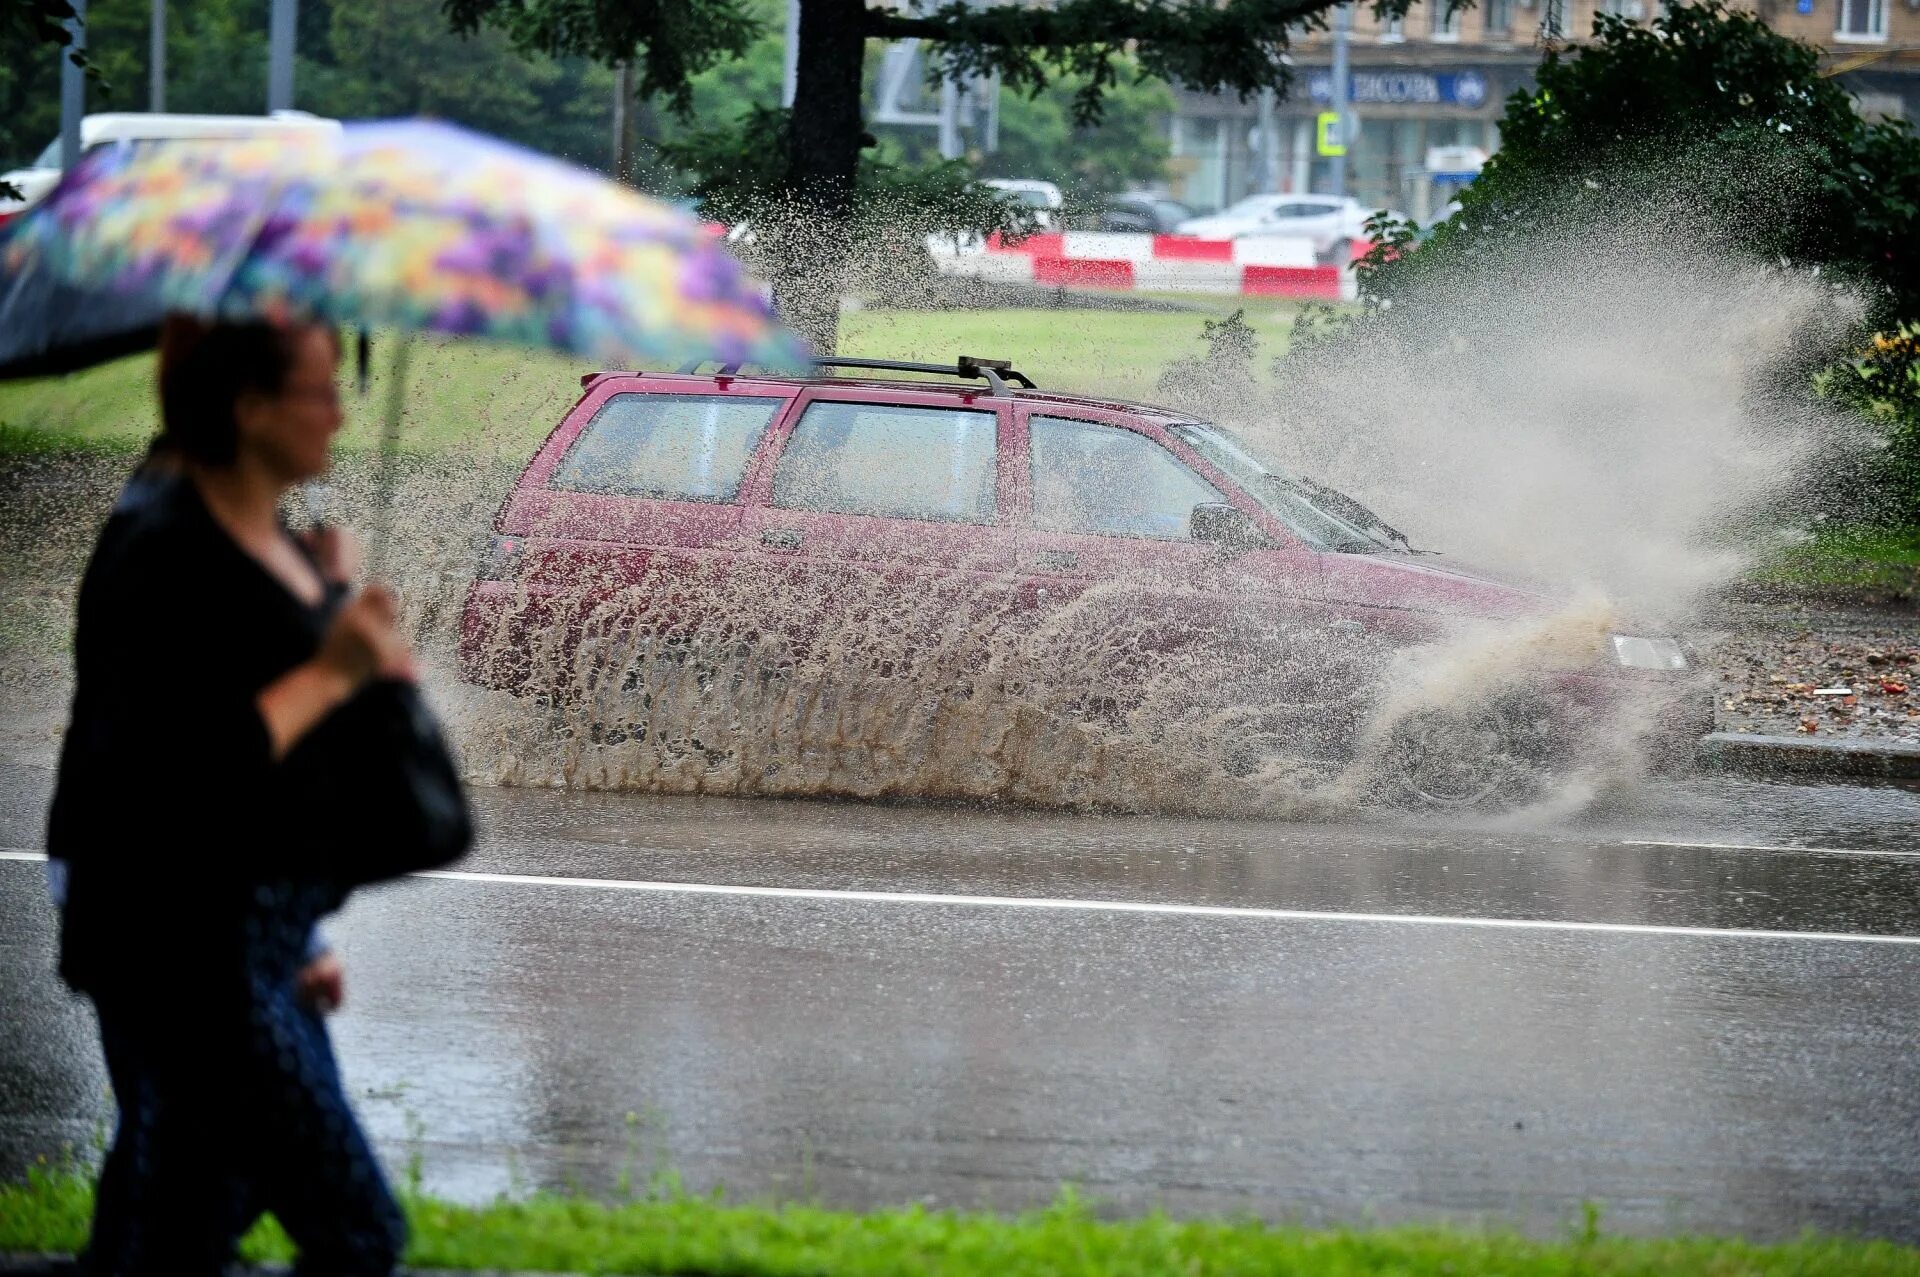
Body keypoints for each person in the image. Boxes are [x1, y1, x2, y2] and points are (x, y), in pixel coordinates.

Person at [48, 315, 417, 1276]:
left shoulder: (274, 544)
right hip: (187, 950)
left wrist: (345, 621)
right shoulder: (160, 549)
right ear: (251, 410)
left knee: (177, 1219)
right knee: (354, 1229)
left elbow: (308, 767)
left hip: (258, 936)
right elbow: (185, 770)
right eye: (319, 390)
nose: (341, 413)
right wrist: (333, 669)